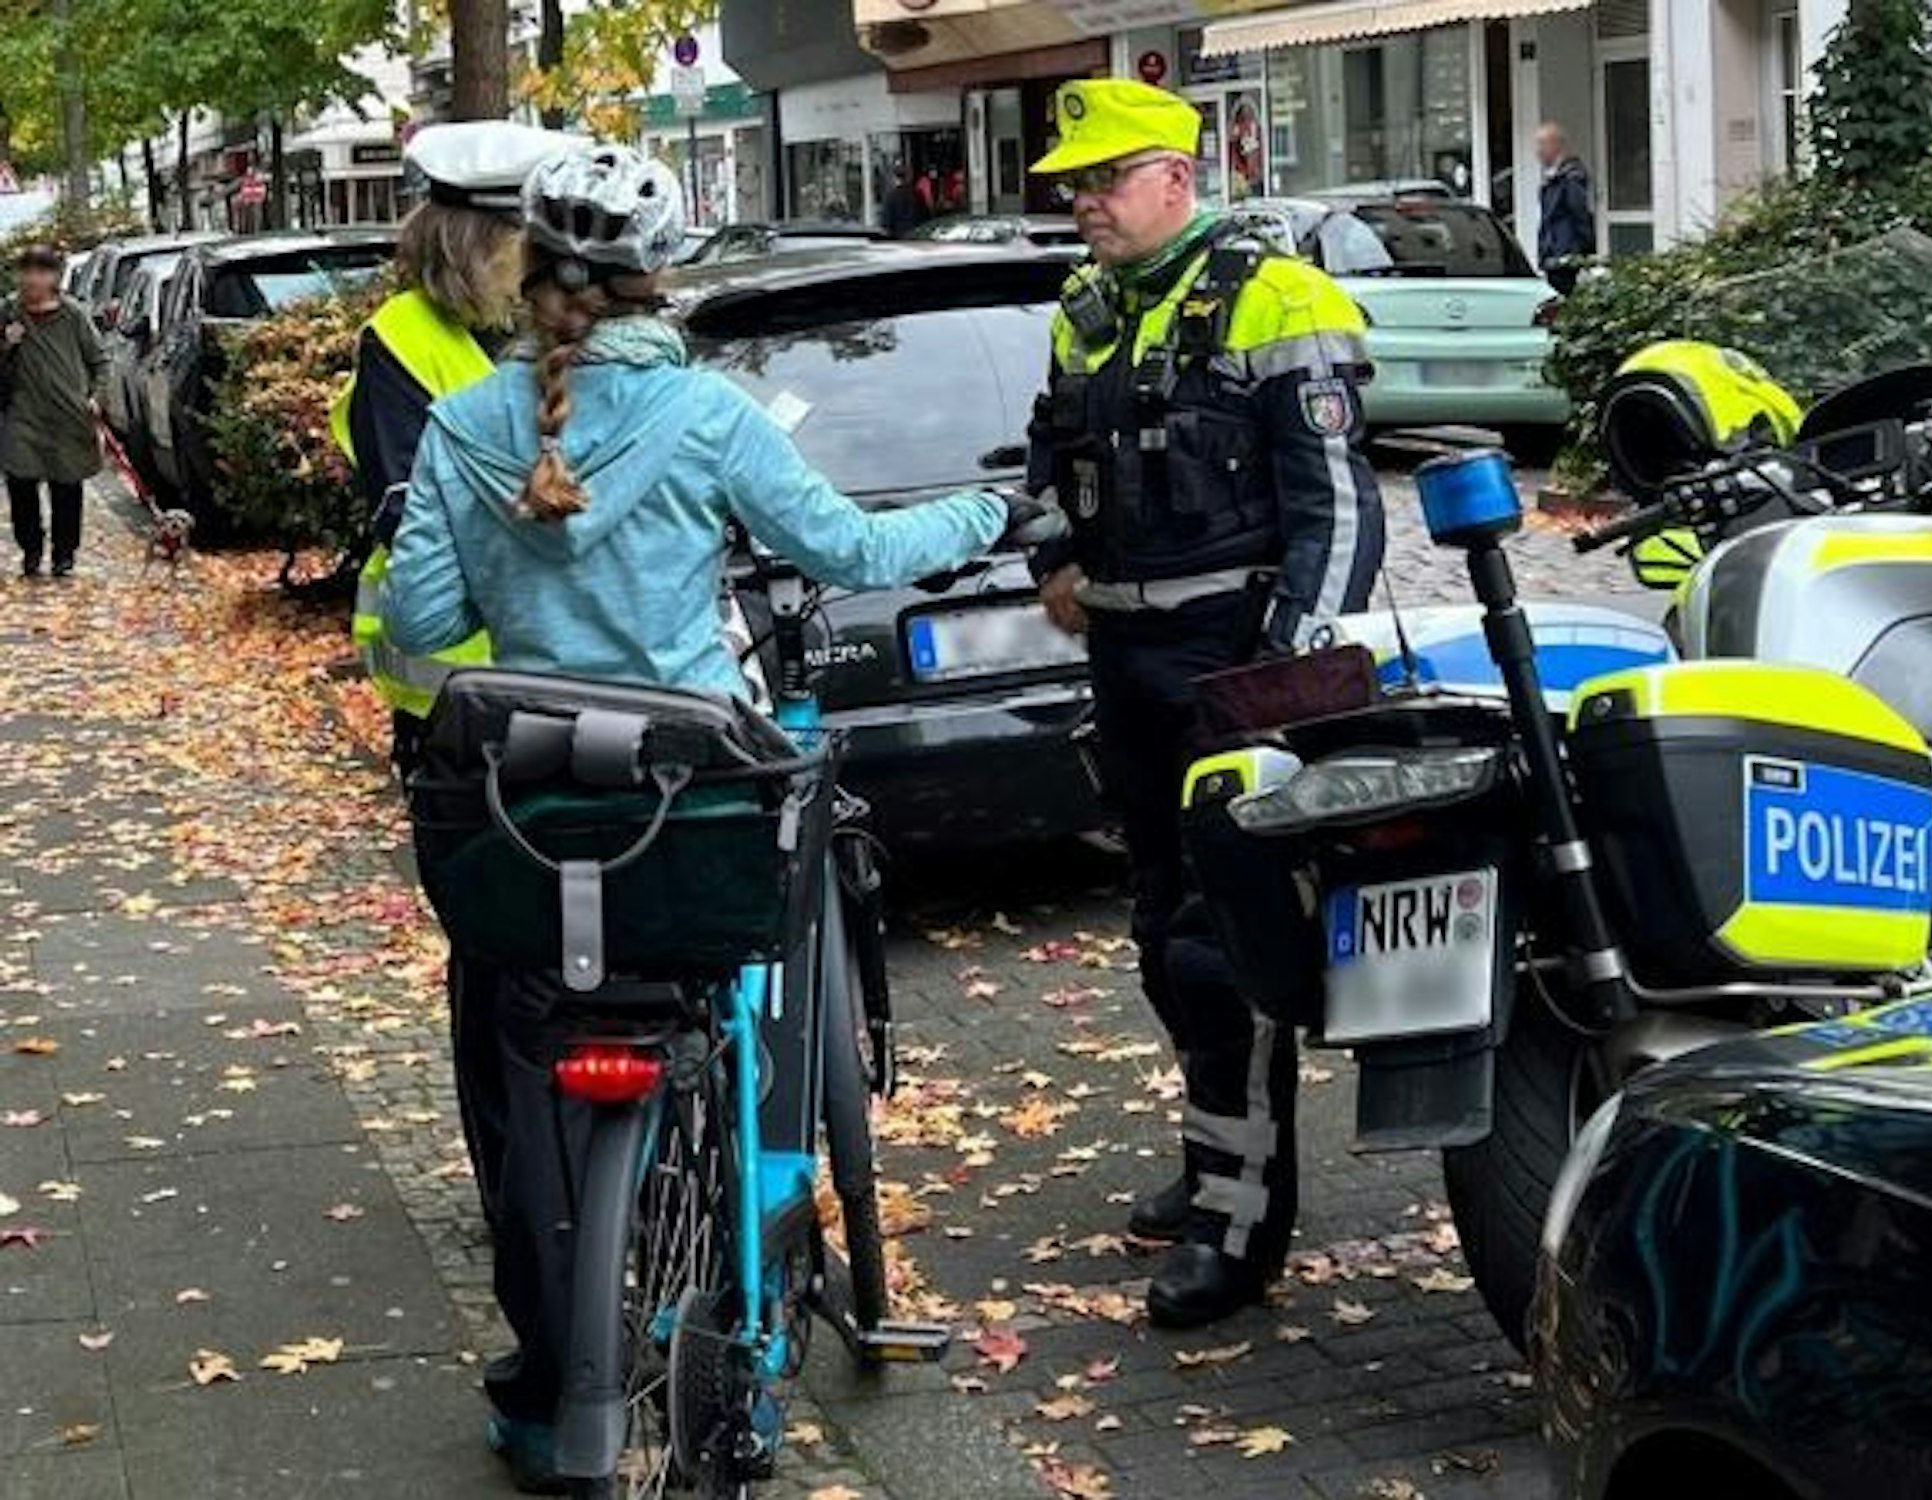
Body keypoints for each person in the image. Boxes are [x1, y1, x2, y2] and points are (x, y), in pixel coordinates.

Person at [380, 144, 1037, 1492]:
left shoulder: (466, 426)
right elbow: (849, 554)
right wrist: (983, 508)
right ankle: (742, 1300)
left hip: (529, 804)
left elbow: (425, 623)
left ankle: (551, 1369)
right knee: (737, 1008)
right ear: (658, 277)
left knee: (519, 1066)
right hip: (690, 789)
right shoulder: (707, 419)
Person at [1025, 79, 1385, 1328]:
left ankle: (1241, 1219)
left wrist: (1277, 677)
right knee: (1155, 933)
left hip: (1230, 665)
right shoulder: (1085, 310)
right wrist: (1050, 562)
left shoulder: (1278, 298)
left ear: (1175, 178)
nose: (1080, 203)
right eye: (1073, 183)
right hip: (1122, 662)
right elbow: (1043, 459)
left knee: (1213, 940)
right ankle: (1217, 1148)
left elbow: (1337, 513)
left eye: (1101, 179)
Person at [329, 119, 575, 1240]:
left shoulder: (562, 328)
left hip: (583, 691)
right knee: (493, 966)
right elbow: (402, 505)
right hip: (457, 713)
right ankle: (514, 1187)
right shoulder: (404, 343)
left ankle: (609, 1169)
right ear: (470, 242)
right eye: (523, 238)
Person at [2, 243, 108, 579]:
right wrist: (7, 344)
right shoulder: (8, 312)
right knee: (20, 483)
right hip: (22, 414)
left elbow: (99, 360)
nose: (33, 279)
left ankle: (64, 554)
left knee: (66, 486)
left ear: (55, 276)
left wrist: (96, 397)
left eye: (42, 271)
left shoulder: (73, 314)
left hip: (67, 415)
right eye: (27, 271)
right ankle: (31, 549)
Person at [1535, 123, 1596, 295]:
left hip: (1564, 254)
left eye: (1541, 144)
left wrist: (1584, 250)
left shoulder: (1571, 178)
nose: (1537, 151)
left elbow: (1579, 214)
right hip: (1553, 253)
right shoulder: (1553, 178)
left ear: (1554, 145)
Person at [881, 163, 922, 238]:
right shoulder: (917, 194)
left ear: (895, 178)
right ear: (908, 177)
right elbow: (924, 214)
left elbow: (886, 221)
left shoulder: (891, 196)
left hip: (898, 235)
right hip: (916, 234)